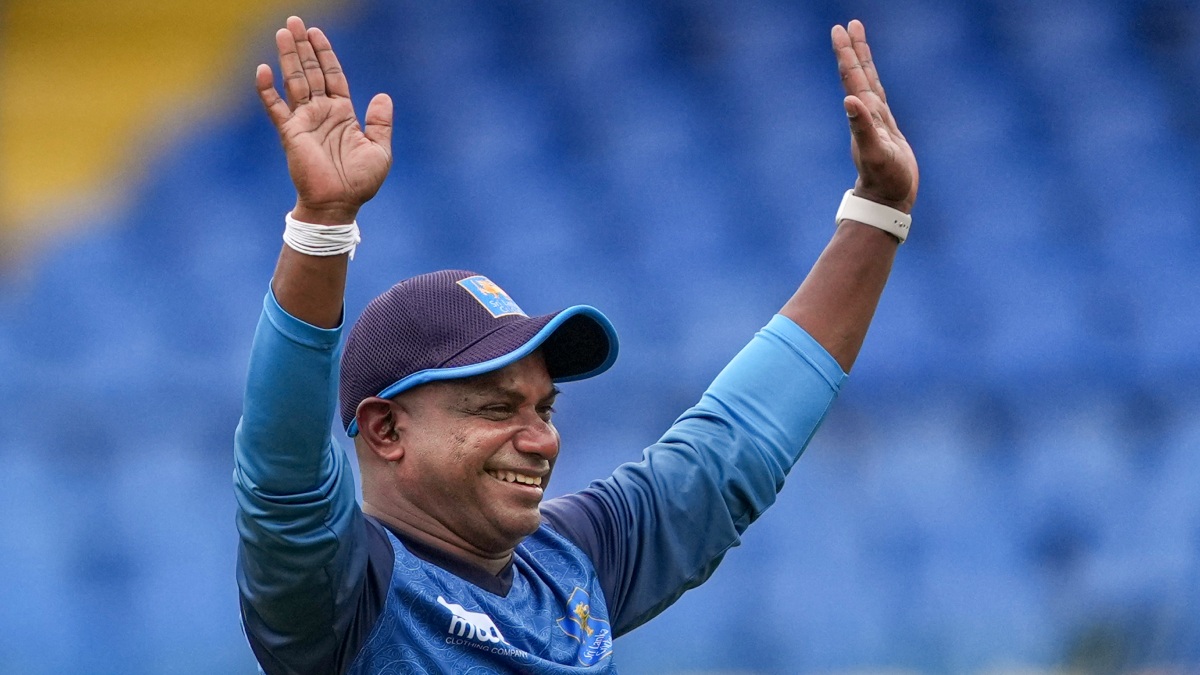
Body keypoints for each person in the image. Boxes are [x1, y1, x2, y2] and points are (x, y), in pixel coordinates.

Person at [234, 14, 918, 674]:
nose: (542, 440)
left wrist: (877, 214)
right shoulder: (343, 595)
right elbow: (283, 474)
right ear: (386, 428)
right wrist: (322, 225)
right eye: (497, 408)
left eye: (545, 408)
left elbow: (729, 449)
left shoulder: (568, 563)